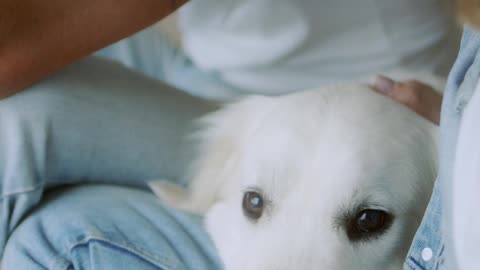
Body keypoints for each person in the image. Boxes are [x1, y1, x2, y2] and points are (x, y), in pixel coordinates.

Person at [0, 0, 462, 269]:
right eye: (255, 204)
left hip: (377, 101)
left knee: (22, 119)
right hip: (225, 79)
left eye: (368, 222)